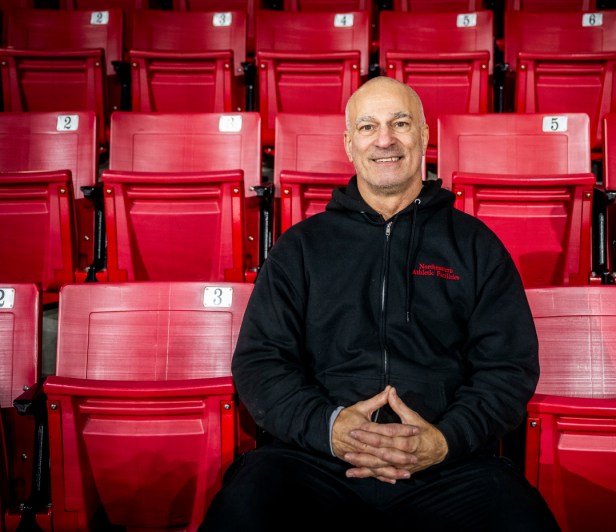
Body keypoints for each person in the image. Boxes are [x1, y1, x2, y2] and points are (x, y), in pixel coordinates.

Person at [200, 76, 560, 531]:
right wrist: (329, 428)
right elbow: (260, 363)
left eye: (401, 123)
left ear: (425, 136)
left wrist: (445, 439)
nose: (385, 139)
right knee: (241, 512)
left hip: (447, 465)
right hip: (315, 459)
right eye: (368, 127)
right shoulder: (301, 249)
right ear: (350, 144)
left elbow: (508, 367)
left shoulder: (476, 246)